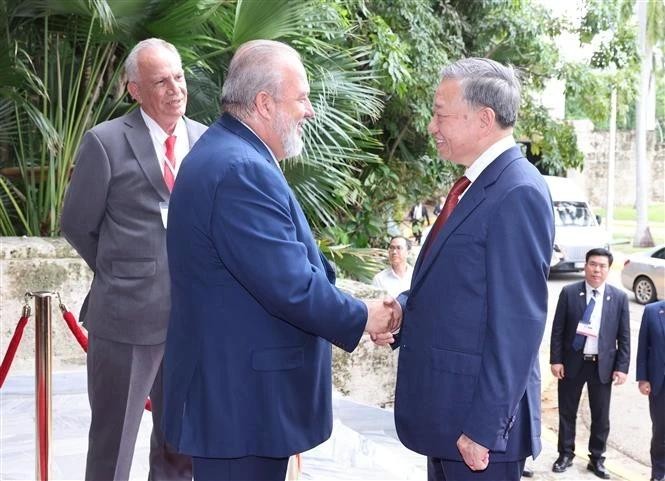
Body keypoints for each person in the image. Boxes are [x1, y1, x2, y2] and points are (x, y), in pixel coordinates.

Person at [161, 39, 399, 481]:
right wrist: (366, 315)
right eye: (303, 98)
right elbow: (290, 285)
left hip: (237, 403)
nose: (310, 111)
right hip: (241, 408)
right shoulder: (239, 170)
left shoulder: (229, 154)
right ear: (264, 103)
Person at [389, 57, 555, 481]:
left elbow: (518, 325)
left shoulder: (517, 191)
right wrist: (405, 309)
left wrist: (483, 428)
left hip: (477, 436)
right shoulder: (476, 183)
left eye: (440, 114)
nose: (431, 126)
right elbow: (462, 288)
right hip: (448, 420)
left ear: (484, 119)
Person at [60, 38, 207, 480]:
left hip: (193, 321)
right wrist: (124, 274)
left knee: (180, 447)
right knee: (113, 446)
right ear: (135, 90)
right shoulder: (105, 143)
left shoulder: (205, 139)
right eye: (160, 81)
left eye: (178, 77)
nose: (174, 89)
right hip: (125, 321)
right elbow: (78, 223)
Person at [550, 247, 630, 479]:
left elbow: (624, 336)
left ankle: (597, 459)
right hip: (572, 362)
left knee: (601, 416)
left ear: (608, 269)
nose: (597, 270)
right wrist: (556, 360)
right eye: (593, 264)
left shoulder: (619, 298)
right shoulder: (569, 292)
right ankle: (565, 454)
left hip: (602, 366)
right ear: (585, 266)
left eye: (602, 266)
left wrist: (621, 368)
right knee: (567, 412)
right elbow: (558, 330)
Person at [636, 300, 665, 481]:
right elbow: (643, 347)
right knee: (661, 432)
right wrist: (643, 378)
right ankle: (658, 473)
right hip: (659, 383)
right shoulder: (652, 311)